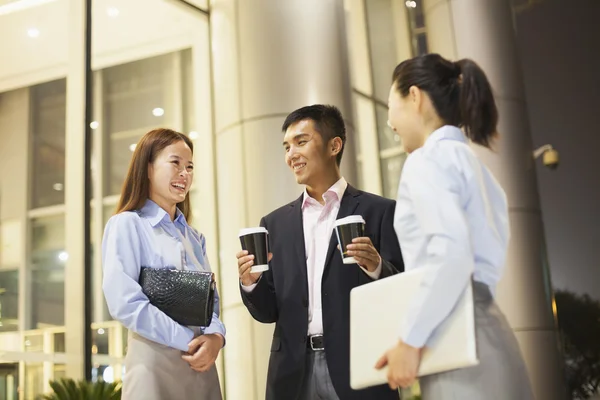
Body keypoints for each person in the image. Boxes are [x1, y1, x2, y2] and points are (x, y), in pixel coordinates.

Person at [375, 53, 534, 399]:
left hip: (455, 343)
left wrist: (409, 340)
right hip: (492, 333)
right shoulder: (476, 166)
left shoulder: (425, 162)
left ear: (414, 97)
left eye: (391, 105)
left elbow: (451, 254)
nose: (390, 122)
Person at [236, 105, 404, 400]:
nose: (291, 155)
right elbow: (267, 312)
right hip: (291, 373)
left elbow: (401, 293)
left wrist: (376, 265)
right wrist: (250, 282)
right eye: (287, 147)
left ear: (334, 145)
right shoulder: (274, 224)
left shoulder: (379, 211)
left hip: (359, 367)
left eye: (301, 142)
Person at [102, 128, 225, 400]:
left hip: (201, 367)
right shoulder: (127, 225)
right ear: (147, 168)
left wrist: (216, 338)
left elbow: (210, 304)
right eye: (175, 163)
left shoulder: (194, 238)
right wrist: (189, 341)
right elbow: (125, 303)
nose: (185, 173)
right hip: (153, 367)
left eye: (190, 167)